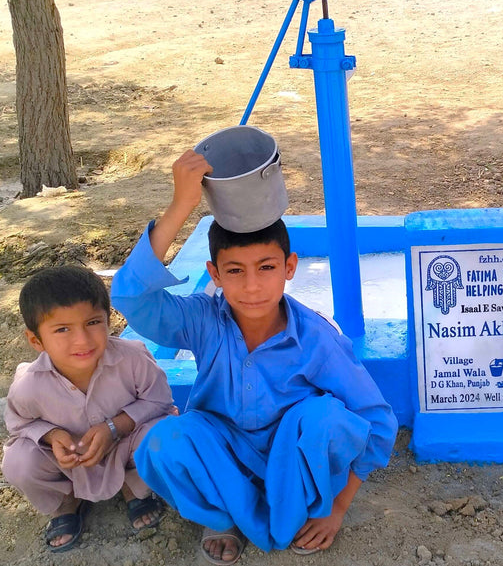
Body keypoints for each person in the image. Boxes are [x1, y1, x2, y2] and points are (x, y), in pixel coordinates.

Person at [111, 149, 398, 565]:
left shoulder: (316, 338)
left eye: (266, 268)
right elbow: (131, 297)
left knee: (326, 418)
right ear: (214, 274)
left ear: (290, 267)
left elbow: (378, 420)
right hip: (221, 454)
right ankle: (222, 516)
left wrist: (337, 509)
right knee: (161, 442)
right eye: (235, 271)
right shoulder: (202, 319)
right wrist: (181, 206)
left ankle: (295, 508)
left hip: (293, 466)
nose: (252, 286)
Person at [3, 265, 174, 552]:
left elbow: (160, 400)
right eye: (62, 329)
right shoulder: (28, 385)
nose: (82, 340)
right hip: (71, 461)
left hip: (125, 445)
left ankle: (133, 487)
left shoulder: (133, 359)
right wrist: (52, 436)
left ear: (109, 320)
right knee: (18, 461)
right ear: (35, 340)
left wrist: (114, 427)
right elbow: (19, 424)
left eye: (93, 322)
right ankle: (66, 501)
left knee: (165, 435)